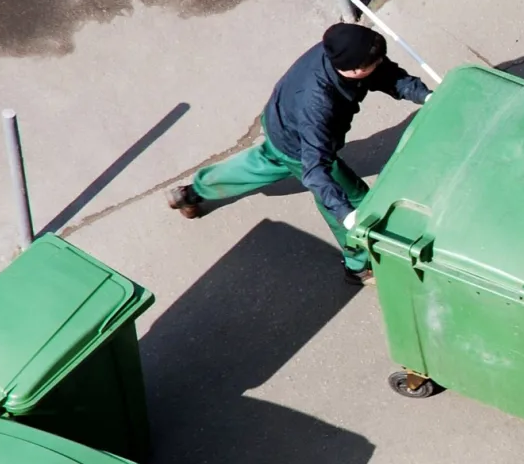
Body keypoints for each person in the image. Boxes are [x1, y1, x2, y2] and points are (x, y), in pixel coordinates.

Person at [166, 23, 430, 285]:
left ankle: (192, 192)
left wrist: (425, 96)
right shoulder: (318, 104)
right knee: (352, 200)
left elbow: (386, 75)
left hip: (281, 123)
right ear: (355, 70)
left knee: (265, 161)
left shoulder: (344, 50)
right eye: (375, 62)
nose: (381, 63)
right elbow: (315, 169)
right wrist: (345, 213)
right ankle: (358, 265)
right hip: (300, 142)